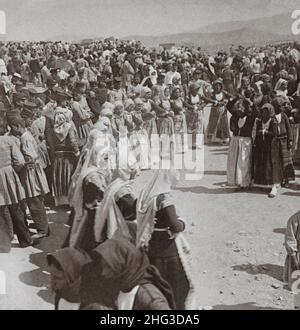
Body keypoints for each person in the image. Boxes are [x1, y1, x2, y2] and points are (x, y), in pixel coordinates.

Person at [136, 170, 196, 310]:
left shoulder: (148, 194)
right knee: (178, 287)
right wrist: (183, 223)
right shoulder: (164, 199)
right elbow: (175, 225)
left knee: (156, 284)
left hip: (151, 243)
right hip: (167, 249)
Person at [80, 238, 176, 310]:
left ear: (123, 268)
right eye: (102, 266)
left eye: (109, 268)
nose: (103, 273)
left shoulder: (151, 300)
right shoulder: (119, 285)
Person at [9, 116, 50, 239]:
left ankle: (42, 230)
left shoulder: (25, 138)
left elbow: (31, 157)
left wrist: (19, 164)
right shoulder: (26, 136)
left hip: (30, 173)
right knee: (36, 200)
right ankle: (44, 228)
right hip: (32, 172)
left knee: (34, 201)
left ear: (17, 126)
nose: (12, 130)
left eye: (13, 128)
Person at [0, 117, 34, 249]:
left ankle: (4, 241)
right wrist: (14, 171)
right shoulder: (9, 141)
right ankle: (25, 239)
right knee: (16, 207)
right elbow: (19, 161)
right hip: (9, 174)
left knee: (1, 209)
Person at [226, 95, 257, 190]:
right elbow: (228, 106)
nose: (239, 110)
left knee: (244, 162)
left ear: (245, 109)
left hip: (245, 142)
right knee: (234, 162)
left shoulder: (250, 117)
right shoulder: (235, 116)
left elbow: (256, 112)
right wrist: (236, 98)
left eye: (241, 108)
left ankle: (245, 183)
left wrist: (250, 102)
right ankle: (237, 182)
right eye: (237, 108)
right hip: (235, 141)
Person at [252, 103, 281, 198]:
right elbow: (257, 133)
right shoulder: (260, 121)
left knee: (271, 165)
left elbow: (275, 134)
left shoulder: (273, 121)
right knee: (263, 164)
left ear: (270, 113)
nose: (264, 114)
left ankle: (274, 186)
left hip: (271, 147)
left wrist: (265, 132)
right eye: (263, 112)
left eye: (266, 113)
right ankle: (264, 183)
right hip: (262, 146)